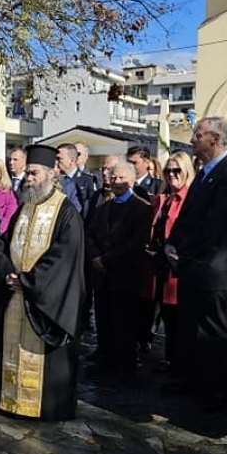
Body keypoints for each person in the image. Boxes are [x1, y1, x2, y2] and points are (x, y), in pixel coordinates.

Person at [164, 117, 227, 410]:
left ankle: (217, 392)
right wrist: (171, 244)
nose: (192, 140)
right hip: (192, 267)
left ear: (215, 139)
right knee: (190, 329)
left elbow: (216, 224)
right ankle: (193, 381)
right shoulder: (203, 174)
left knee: (213, 334)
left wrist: (182, 251)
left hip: (215, 270)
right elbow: (187, 216)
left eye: (197, 135)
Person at [0, 144, 86, 420]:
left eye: (34, 173)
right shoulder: (24, 206)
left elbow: (63, 257)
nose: (29, 178)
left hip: (44, 301)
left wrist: (28, 281)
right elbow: (4, 243)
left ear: (50, 173)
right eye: (28, 173)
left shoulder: (66, 212)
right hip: (17, 296)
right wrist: (8, 272)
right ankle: (12, 401)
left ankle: (43, 408)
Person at [85, 162, 153, 378]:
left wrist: (106, 260)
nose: (116, 182)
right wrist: (96, 257)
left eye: (121, 178)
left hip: (125, 274)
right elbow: (90, 235)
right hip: (102, 276)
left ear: (132, 180)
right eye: (113, 178)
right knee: (104, 320)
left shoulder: (142, 208)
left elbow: (136, 243)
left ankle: (125, 365)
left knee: (125, 322)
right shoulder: (102, 208)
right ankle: (106, 359)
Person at [143, 152, 194, 375]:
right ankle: (171, 359)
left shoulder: (191, 199)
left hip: (178, 269)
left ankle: (181, 365)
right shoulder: (161, 199)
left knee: (179, 318)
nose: (172, 175)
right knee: (165, 315)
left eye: (177, 171)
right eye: (168, 171)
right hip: (158, 266)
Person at [56, 143, 95, 220]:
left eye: (59, 159)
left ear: (72, 160)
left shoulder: (87, 180)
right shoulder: (56, 180)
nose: (56, 162)